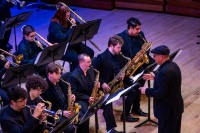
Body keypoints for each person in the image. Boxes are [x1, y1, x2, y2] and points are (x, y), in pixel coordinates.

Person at [92, 35, 138, 132]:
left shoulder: (119, 56)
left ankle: (125, 115)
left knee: (133, 92)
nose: (120, 49)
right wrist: (103, 83)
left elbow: (124, 66)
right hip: (104, 88)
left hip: (116, 85)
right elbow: (93, 75)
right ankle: (110, 129)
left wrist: (123, 74)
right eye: (118, 47)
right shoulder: (101, 58)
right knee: (108, 104)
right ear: (111, 46)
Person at [139, 45, 184, 133]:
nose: (154, 58)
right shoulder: (173, 65)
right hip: (176, 107)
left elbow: (160, 93)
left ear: (161, 57)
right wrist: (155, 78)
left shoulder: (164, 72)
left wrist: (146, 90)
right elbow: (169, 83)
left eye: (155, 56)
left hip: (167, 112)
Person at [117, 17, 154, 117]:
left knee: (155, 65)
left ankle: (137, 107)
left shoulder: (140, 35)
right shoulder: (120, 38)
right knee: (138, 83)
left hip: (140, 61)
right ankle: (135, 108)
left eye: (139, 28)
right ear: (130, 28)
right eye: (137, 29)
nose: (139, 31)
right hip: (129, 65)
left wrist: (143, 54)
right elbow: (119, 56)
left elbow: (146, 47)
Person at [47, 4, 94, 71]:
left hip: (72, 43)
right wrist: (71, 28)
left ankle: (85, 70)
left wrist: (76, 24)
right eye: (66, 16)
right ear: (61, 16)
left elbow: (80, 29)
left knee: (90, 52)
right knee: (75, 59)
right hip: (61, 47)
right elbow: (62, 38)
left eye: (69, 15)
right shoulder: (54, 25)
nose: (68, 17)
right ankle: (74, 75)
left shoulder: (68, 19)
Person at [68, 53, 100, 133]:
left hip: (90, 95)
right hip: (80, 99)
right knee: (86, 115)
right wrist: (88, 98)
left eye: (90, 61)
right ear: (81, 63)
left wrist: (96, 85)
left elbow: (91, 83)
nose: (90, 63)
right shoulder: (74, 76)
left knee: (105, 102)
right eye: (88, 62)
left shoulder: (90, 69)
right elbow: (74, 93)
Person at [41, 63, 75, 133]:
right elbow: (47, 109)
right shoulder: (45, 89)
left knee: (82, 116)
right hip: (55, 116)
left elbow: (65, 95)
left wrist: (71, 97)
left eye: (60, 73)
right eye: (57, 74)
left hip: (65, 108)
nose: (60, 75)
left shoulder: (60, 81)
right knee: (70, 129)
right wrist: (62, 113)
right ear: (49, 74)